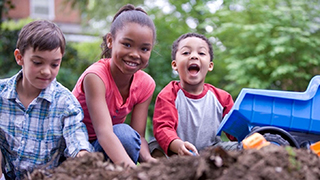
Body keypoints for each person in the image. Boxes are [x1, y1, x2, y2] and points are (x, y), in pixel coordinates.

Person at [0, 20, 93, 180]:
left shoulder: (65, 102)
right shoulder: (1, 93)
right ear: (19, 57)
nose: (46, 71)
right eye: (37, 62)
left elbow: (76, 137)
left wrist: (83, 156)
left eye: (54, 64)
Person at [72, 4, 157, 168]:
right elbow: (104, 133)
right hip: (77, 148)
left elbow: (138, 135)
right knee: (122, 135)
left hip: (107, 147)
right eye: (127, 44)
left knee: (126, 135)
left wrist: (150, 161)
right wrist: (134, 172)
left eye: (144, 48)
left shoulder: (146, 84)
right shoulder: (95, 77)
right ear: (110, 41)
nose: (134, 54)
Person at [150, 32, 239, 157]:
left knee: (240, 147)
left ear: (210, 65)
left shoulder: (222, 98)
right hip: (176, 152)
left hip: (211, 153)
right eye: (186, 53)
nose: (194, 56)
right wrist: (178, 146)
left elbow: (236, 132)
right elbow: (163, 128)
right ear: (174, 65)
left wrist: (251, 136)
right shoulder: (168, 94)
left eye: (201, 53)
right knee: (154, 147)